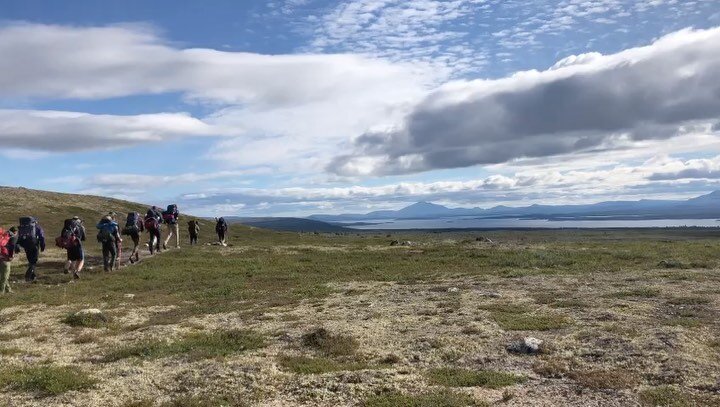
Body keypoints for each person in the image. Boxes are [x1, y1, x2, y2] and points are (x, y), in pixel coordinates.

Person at [16, 217, 45, 282]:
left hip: (25, 245)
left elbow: (19, 237)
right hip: (34, 245)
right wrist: (42, 245)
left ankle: (33, 277)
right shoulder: (37, 227)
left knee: (30, 261)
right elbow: (41, 237)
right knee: (34, 262)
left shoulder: (23, 227)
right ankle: (27, 275)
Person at [0, 227, 18, 294]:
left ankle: (8, 290)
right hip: (5, 258)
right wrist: (10, 256)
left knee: (3, 275)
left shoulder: (3, 236)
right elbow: (12, 246)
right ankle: (1, 291)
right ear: (15, 232)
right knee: (5, 276)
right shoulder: (12, 237)